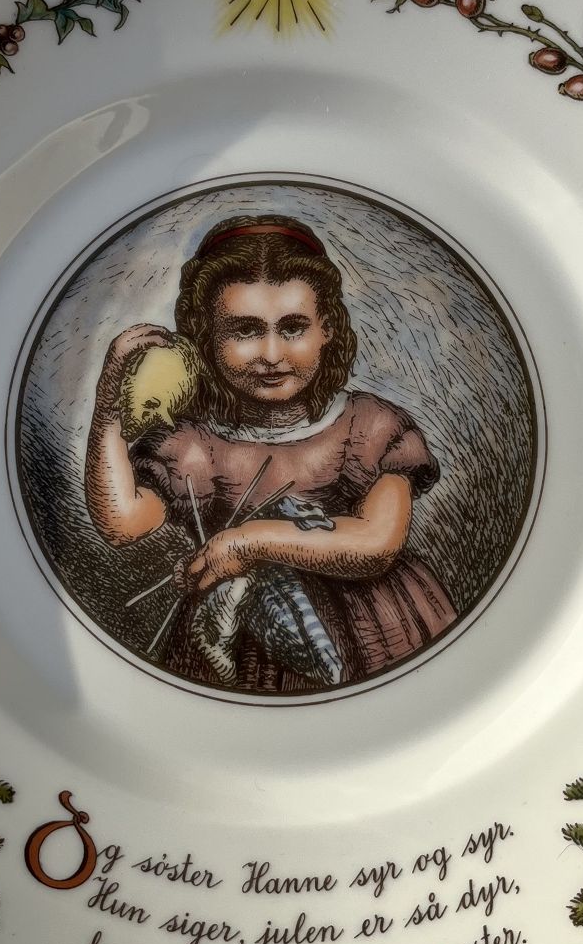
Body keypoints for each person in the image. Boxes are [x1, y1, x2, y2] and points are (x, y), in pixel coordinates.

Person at [84, 214, 456, 694]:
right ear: (205, 336)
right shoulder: (192, 444)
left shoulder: (369, 426)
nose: (272, 354)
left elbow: (377, 543)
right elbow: (122, 523)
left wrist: (250, 543)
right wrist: (109, 410)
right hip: (238, 637)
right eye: (245, 331)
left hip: (378, 630)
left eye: (294, 327)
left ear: (327, 330)